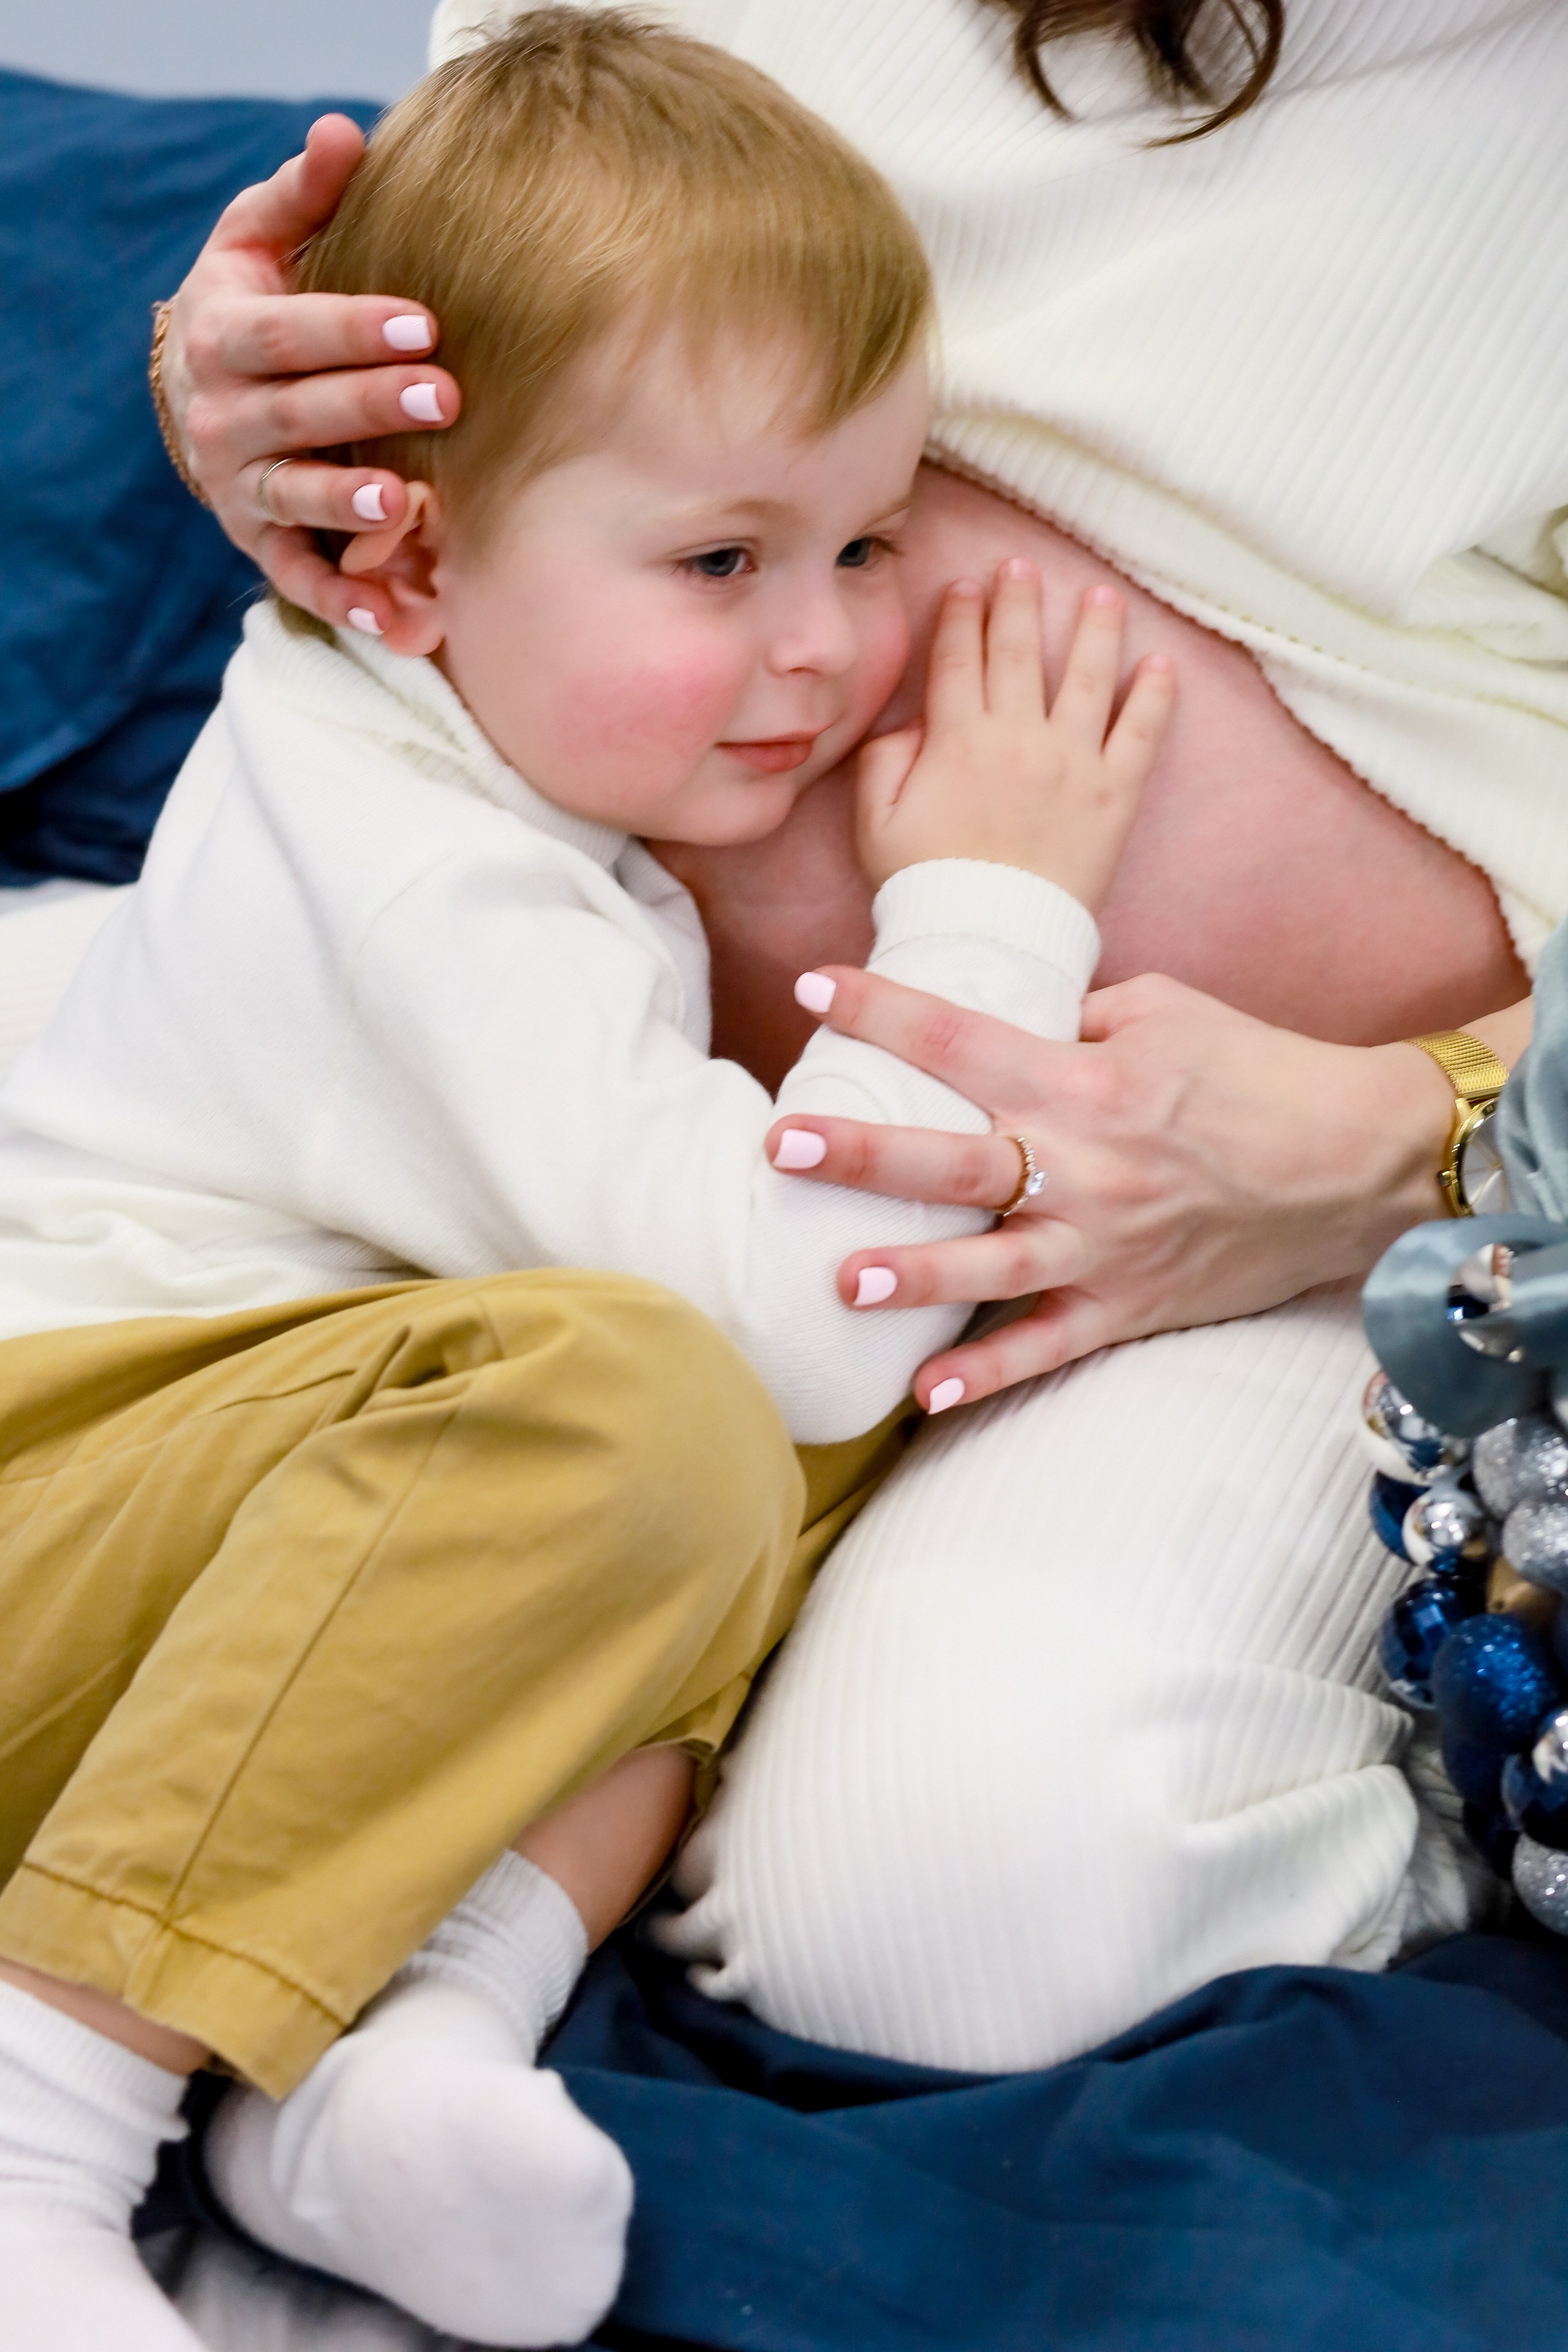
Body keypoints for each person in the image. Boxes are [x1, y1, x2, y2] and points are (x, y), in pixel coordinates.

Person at [141, 0, 1568, 2115]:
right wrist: (258, 390)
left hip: (1276, 1227)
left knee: (954, 1913)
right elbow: (483, 299)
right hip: (524, 1066)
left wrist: (1417, 1134)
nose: (822, 648)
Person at [0, 16, 1177, 2349]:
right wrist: (989, 903)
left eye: (866, 541)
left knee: (783, 1454)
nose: (828, 645)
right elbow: (811, 1328)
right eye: (722, 558)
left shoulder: (481, 778)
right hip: (58, 1521)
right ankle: (43, 2121)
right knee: (666, 1399)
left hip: (197, 1542)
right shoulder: (414, 867)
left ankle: (395, 2038)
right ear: (408, 554)